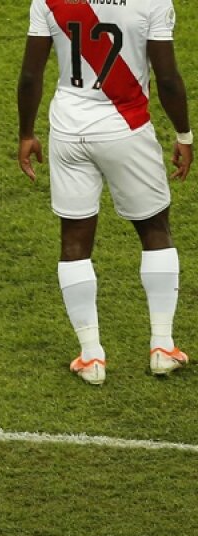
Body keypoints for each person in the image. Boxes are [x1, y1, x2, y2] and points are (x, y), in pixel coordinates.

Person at [17, 0, 192, 386]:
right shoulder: (153, 0)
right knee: (154, 230)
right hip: (127, 129)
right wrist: (184, 134)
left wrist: (26, 133)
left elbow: (31, 75)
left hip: (68, 129)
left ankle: (91, 356)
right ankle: (162, 347)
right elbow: (167, 78)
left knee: (74, 238)